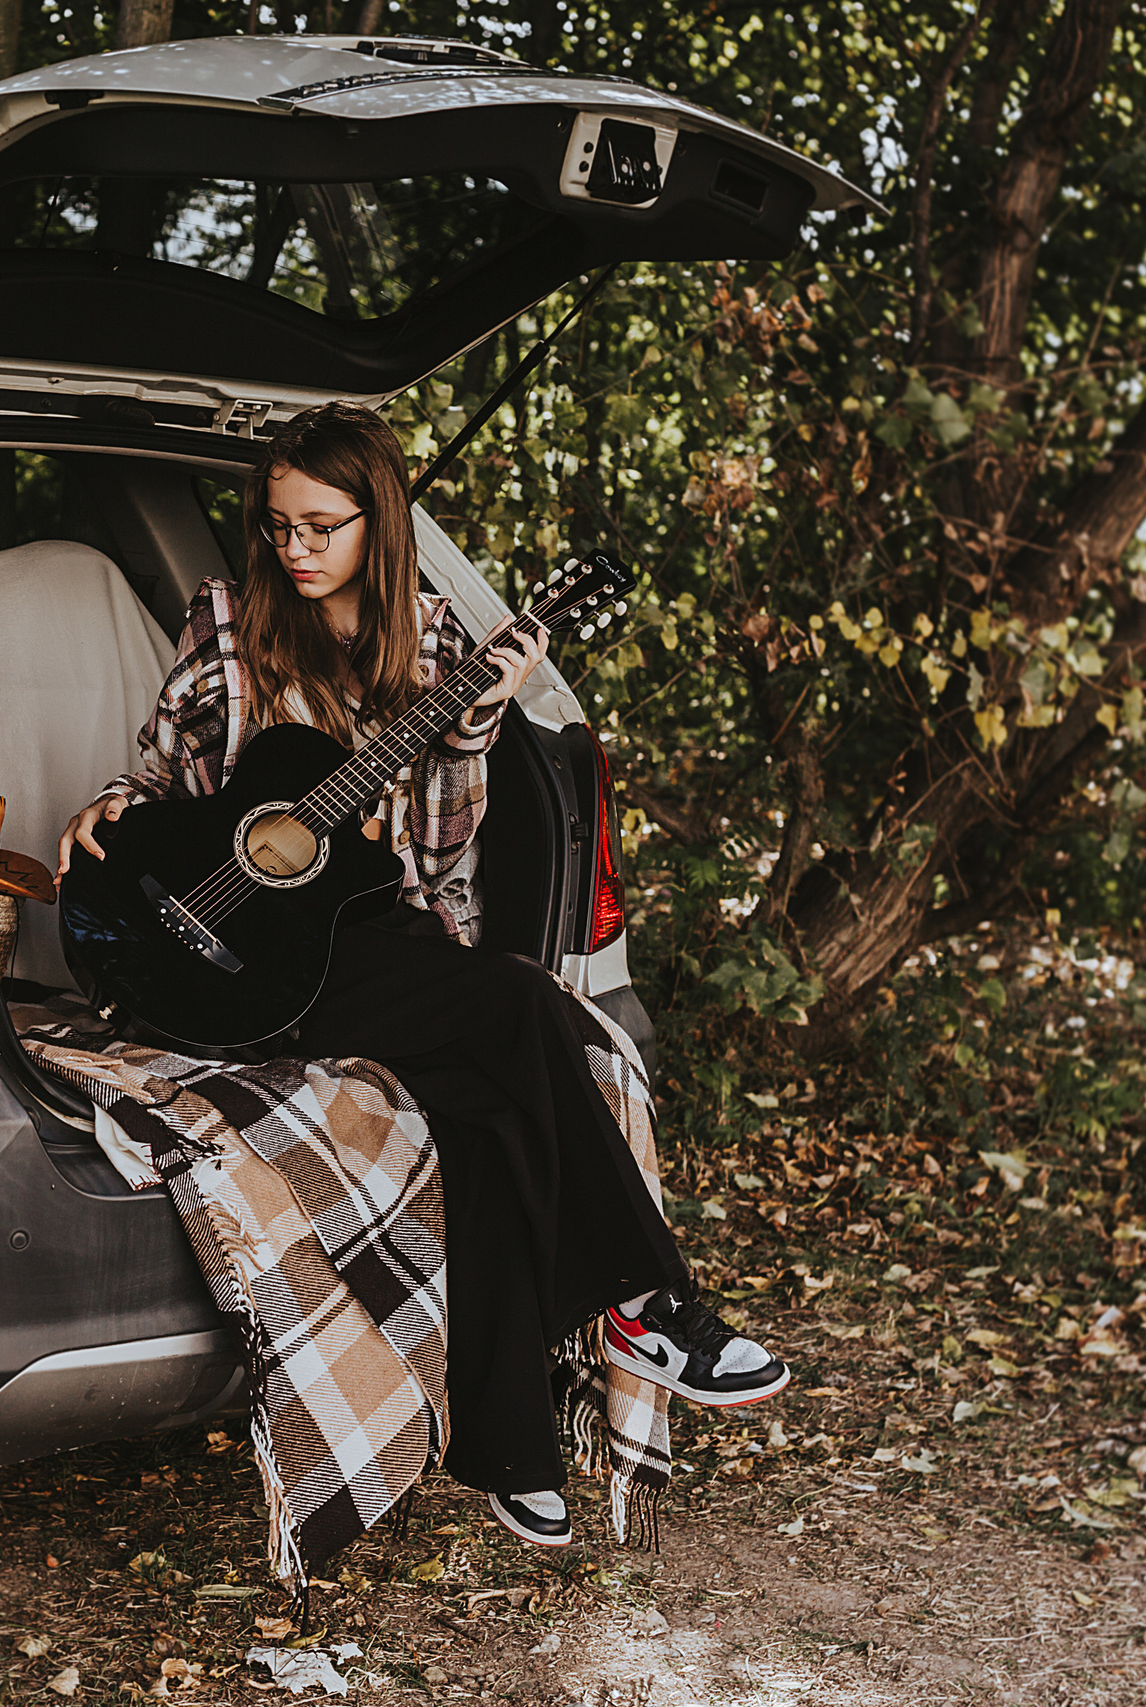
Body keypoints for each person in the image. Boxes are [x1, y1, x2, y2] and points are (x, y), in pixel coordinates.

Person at [57, 401, 787, 1550]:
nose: (293, 550)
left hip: (368, 938)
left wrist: (468, 734)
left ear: (377, 524)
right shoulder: (225, 623)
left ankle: (508, 1449)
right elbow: (160, 783)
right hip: (230, 957)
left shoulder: (445, 650)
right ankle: (647, 1303)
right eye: (278, 525)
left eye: (320, 527)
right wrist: (112, 812)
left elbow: (440, 867)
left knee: (487, 1115)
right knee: (525, 1005)